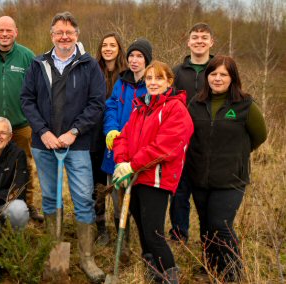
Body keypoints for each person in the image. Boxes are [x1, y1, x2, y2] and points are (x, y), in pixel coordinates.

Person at [20, 11, 106, 282]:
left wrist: (74, 132)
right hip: (44, 145)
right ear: (52, 35)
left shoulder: (89, 65)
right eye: (59, 32)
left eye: (69, 32)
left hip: (77, 145)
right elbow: (27, 100)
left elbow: (96, 104)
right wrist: (43, 132)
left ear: (76, 35)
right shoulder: (38, 63)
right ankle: (54, 255)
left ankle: (87, 258)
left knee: (82, 199)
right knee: (50, 198)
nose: (64, 37)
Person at [185, 55, 267, 282]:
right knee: (205, 226)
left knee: (220, 225)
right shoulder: (196, 104)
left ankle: (234, 273)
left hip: (231, 178)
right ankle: (210, 267)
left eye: (223, 74)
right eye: (213, 74)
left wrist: (237, 155)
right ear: (207, 77)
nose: (217, 79)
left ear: (232, 78)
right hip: (199, 176)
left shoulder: (245, 105)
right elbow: (188, 135)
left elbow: (260, 135)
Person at [112, 61, 194, 283]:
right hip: (136, 178)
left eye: (159, 78)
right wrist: (121, 162)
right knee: (144, 233)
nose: (153, 83)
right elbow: (123, 137)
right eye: (149, 78)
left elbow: (164, 147)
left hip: (156, 180)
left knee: (154, 234)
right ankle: (153, 274)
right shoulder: (141, 108)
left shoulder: (176, 110)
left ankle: (170, 276)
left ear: (169, 81)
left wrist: (133, 165)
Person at [0, 16, 43, 222]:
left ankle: (27, 206)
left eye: (8, 31)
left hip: (21, 125)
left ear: (16, 32)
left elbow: (37, 89)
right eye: (1, 30)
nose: (5, 34)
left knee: (25, 165)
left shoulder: (27, 57)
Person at [101, 37, 153, 261]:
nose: (134, 60)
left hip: (140, 154)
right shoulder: (121, 83)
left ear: (146, 60)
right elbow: (111, 107)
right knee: (117, 199)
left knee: (140, 203)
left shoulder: (152, 84)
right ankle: (123, 245)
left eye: (139, 56)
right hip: (117, 151)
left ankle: (147, 247)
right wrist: (111, 130)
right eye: (131, 55)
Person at [169, 23, 214, 242]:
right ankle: (179, 235)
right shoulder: (177, 72)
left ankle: (210, 239)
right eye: (195, 37)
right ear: (188, 42)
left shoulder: (218, 71)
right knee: (178, 192)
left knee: (206, 196)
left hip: (209, 145)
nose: (199, 41)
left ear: (211, 42)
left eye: (204, 37)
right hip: (181, 144)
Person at [92, 32, 127, 245]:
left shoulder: (126, 75)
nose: (108, 49)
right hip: (95, 136)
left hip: (118, 138)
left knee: (118, 187)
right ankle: (102, 229)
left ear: (119, 48)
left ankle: (122, 231)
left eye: (112, 45)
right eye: (104, 45)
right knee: (97, 186)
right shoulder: (93, 70)